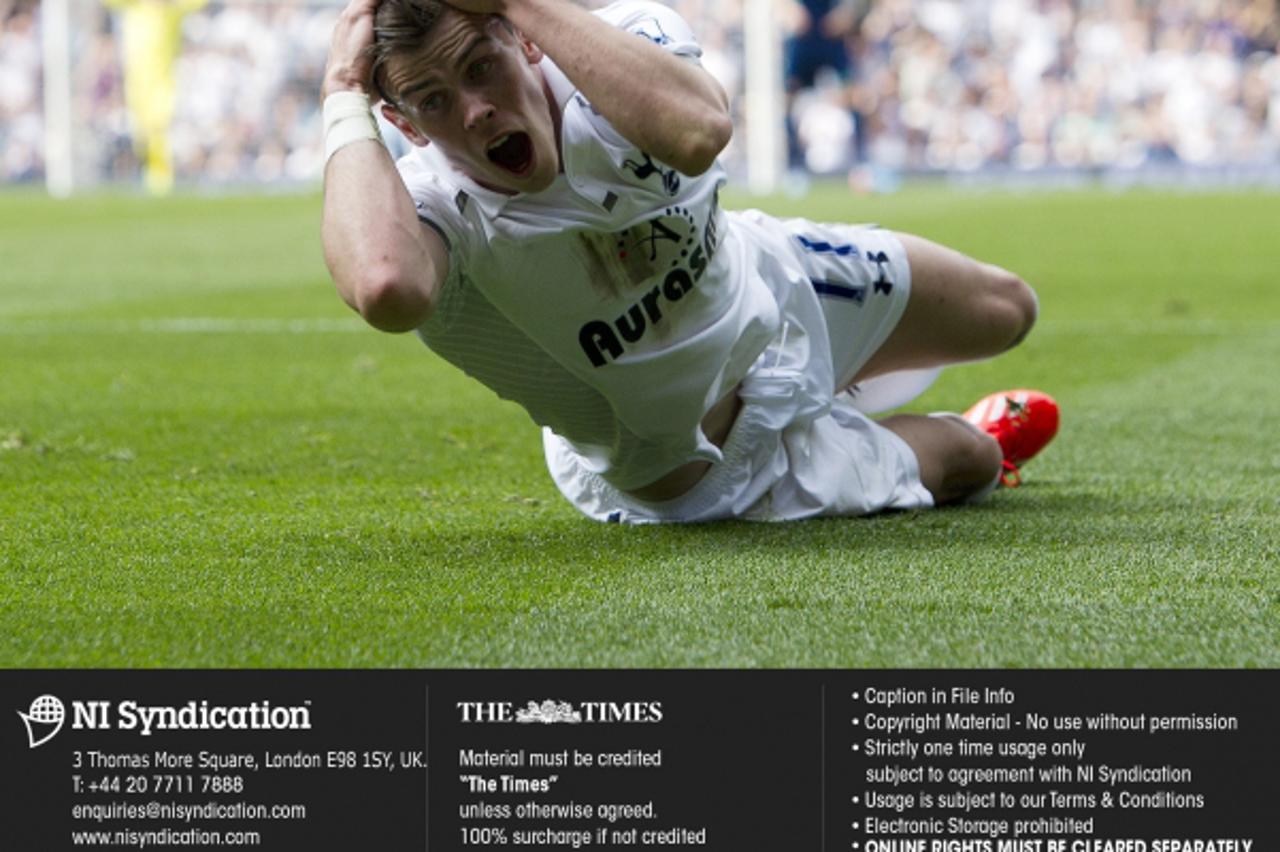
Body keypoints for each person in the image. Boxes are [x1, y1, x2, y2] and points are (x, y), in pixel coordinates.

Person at [319, 0, 1058, 523]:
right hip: (714, 463)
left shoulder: (613, 46)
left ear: (527, 40)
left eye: (482, 66)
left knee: (1007, 309)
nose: (474, 110)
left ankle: (840, 388)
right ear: (400, 122)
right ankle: (893, 433)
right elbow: (386, 288)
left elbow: (700, 129)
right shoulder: (432, 209)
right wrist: (341, 89)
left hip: (771, 281)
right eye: (434, 100)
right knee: (971, 460)